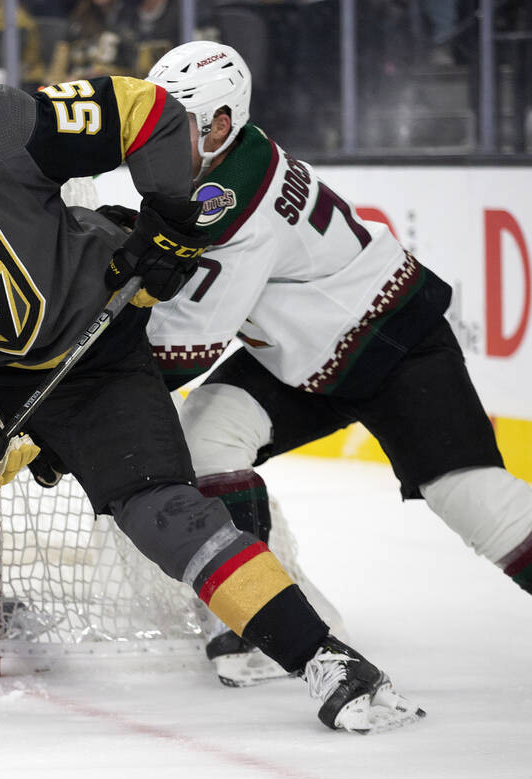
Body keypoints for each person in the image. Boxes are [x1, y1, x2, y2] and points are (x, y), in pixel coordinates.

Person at [0, 32, 423, 732]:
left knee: (164, 515)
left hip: (93, 363)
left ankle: (323, 657)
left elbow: (147, 110)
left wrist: (170, 216)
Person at [140, 41, 532, 651]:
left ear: (221, 123)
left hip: (390, 343)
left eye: (175, 123)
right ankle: (260, 625)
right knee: (207, 439)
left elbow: (185, 348)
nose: (155, 138)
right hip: (307, 353)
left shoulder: (232, 205)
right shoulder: (226, 159)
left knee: (475, 502)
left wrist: (95, 396)